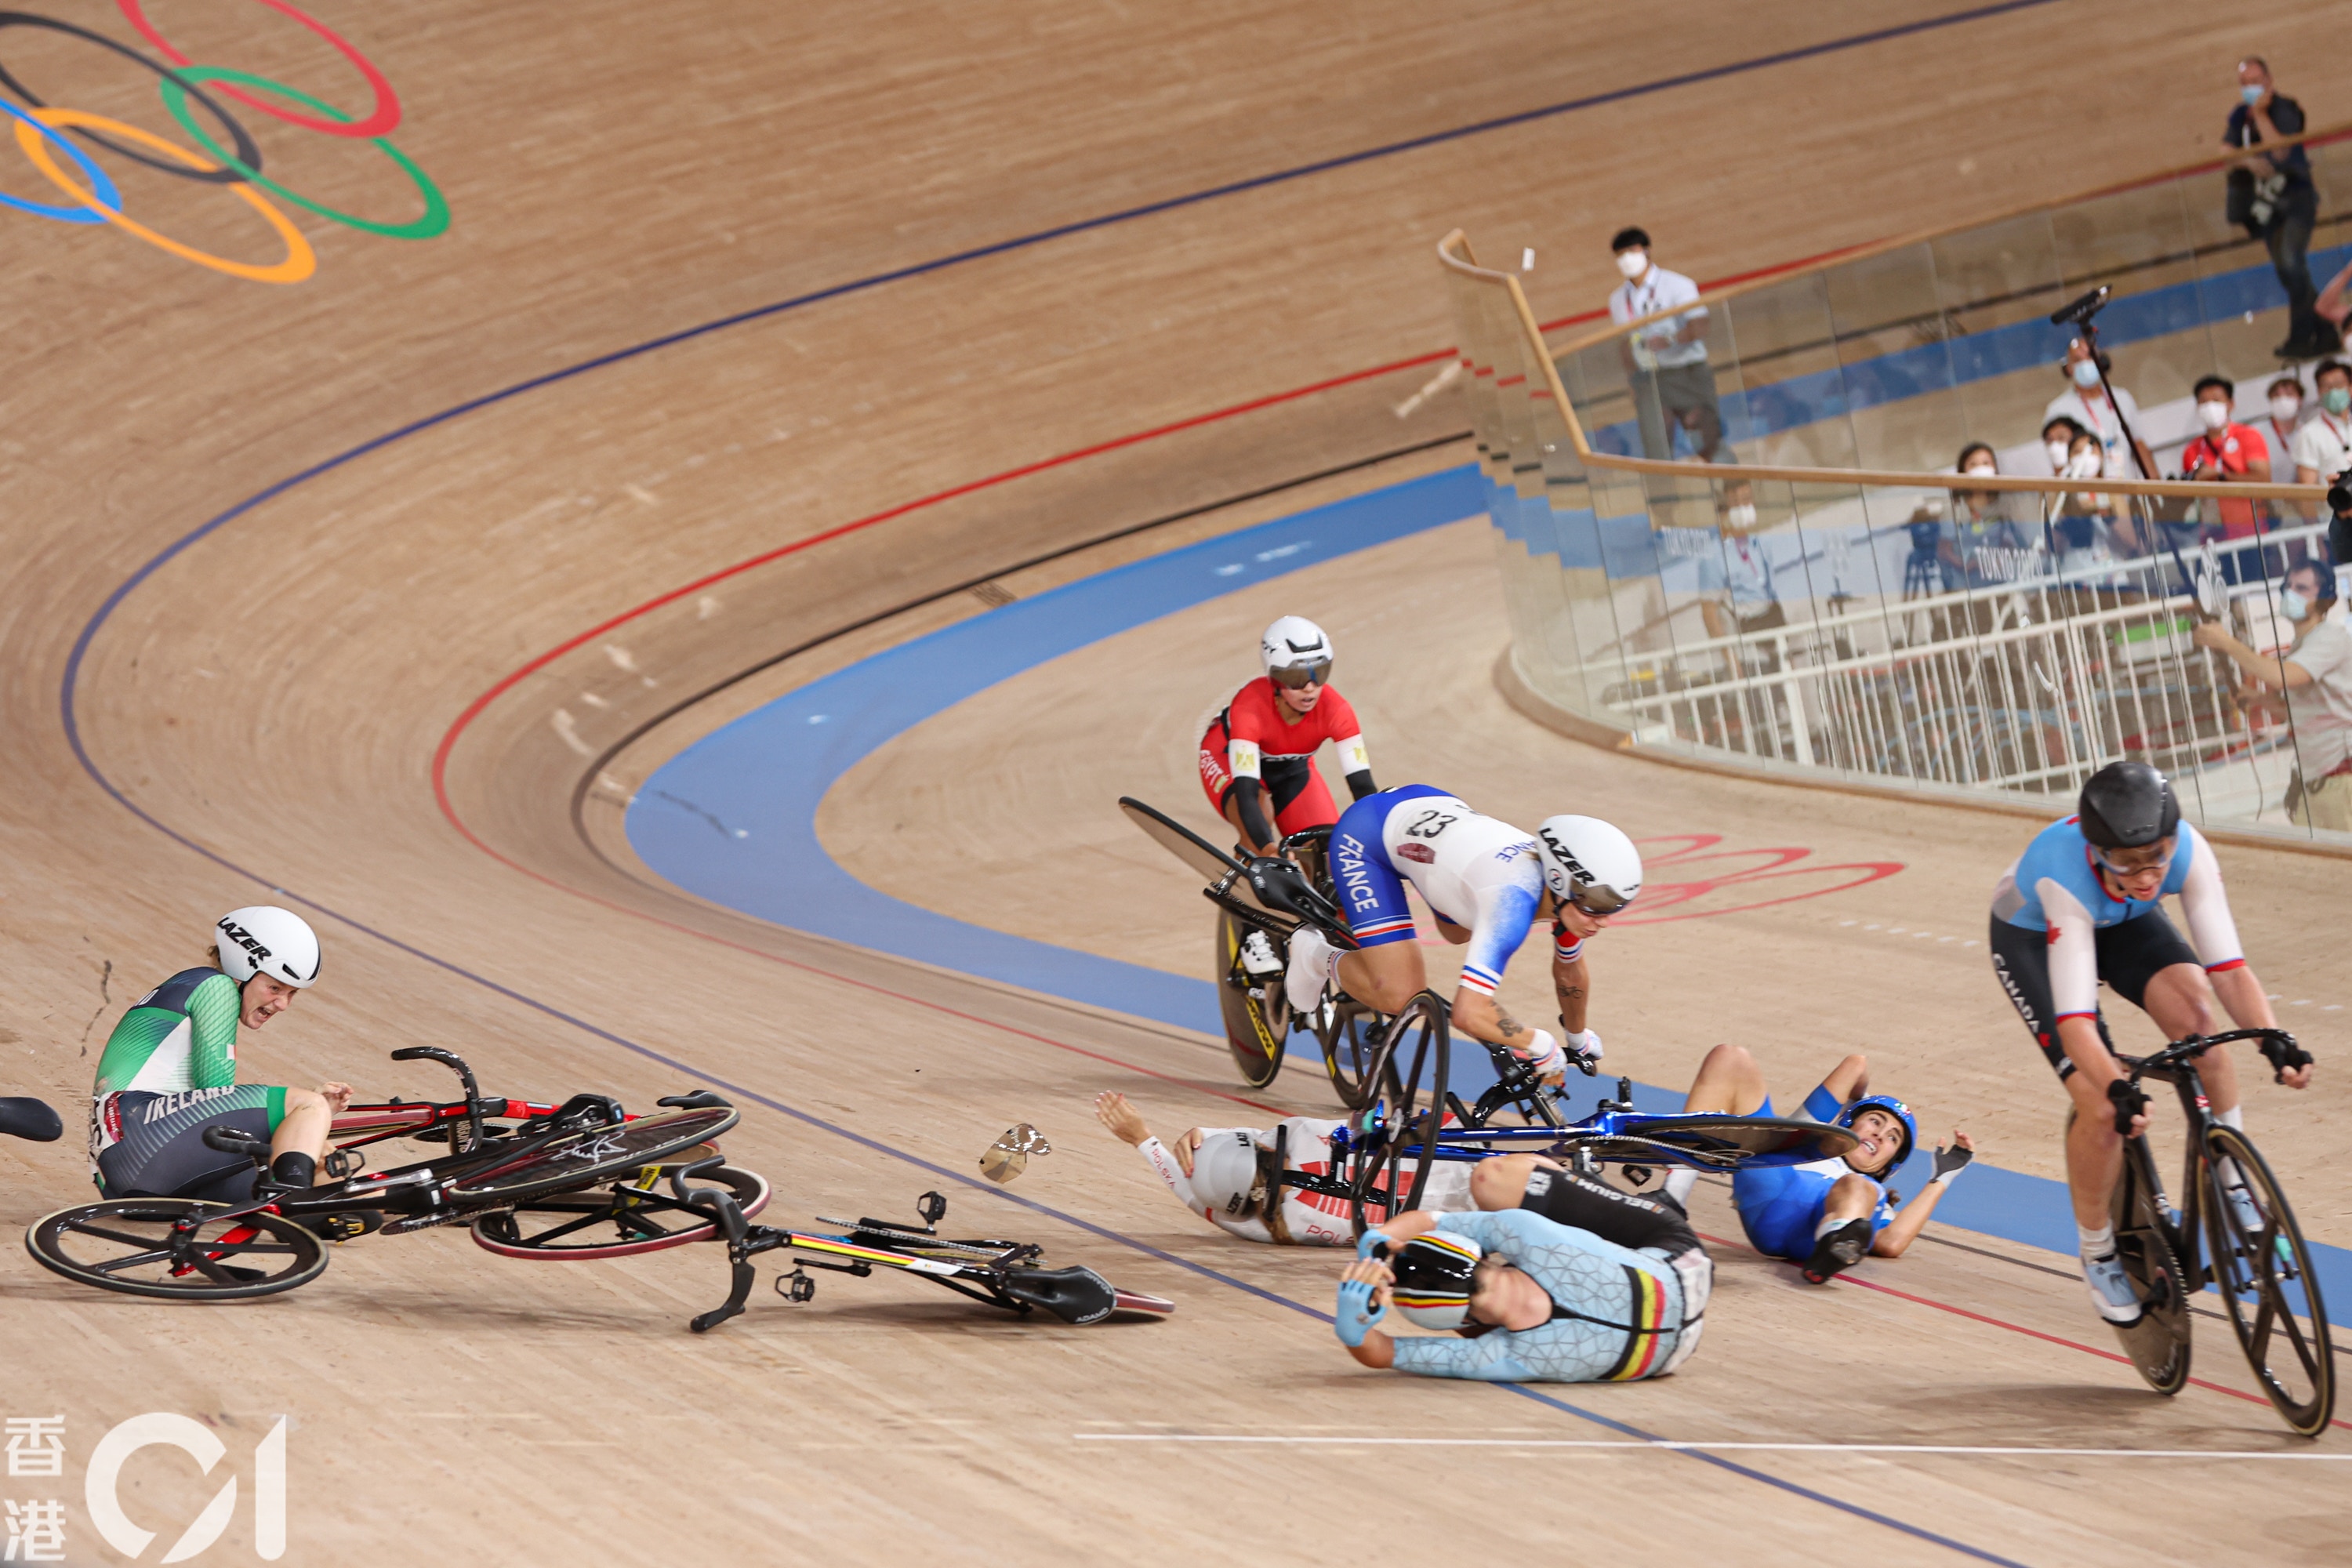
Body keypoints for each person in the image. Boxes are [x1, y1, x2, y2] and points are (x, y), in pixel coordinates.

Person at [1987, 762, 2313, 1324]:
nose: (2146, 875)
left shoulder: (2188, 851)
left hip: (2121, 921)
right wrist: (2116, 1085)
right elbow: (2076, 1026)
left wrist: (2273, 1037)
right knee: (2098, 1105)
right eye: (2126, 861)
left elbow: (2229, 971)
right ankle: (2097, 1251)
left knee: (2203, 1032)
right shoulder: (2065, 876)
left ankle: (2233, 1186)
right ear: (2096, 852)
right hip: (2037, 937)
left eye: (2157, 855)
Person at [1283, 790, 1641, 1083]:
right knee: (1400, 993)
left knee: (1458, 931)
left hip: (1433, 821)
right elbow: (1469, 1013)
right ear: (1560, 883)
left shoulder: (1564, 901)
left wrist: (1577, 1039)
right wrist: (1540, 1044)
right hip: (1368, 837)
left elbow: (1569, 971)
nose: (1604, 921)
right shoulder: (1511, 903)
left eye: (1613, 908)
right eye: (1596, 906)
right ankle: (1312, 954)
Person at [87, 906, 349, 1202]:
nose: (282, 1004)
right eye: (275, 987)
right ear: (242, 969)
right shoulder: (216, 986)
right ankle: (294, 1200)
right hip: (141, 1137)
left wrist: (304, 1129)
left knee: (328, 1178)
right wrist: (305, 1111)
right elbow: (215, 1091)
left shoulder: (189, 984)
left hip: (129, 1166)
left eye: (291, 994)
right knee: (309, 1106)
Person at [1331, 1183, 1711, 1384]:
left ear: (1454, 1322)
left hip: (1667, 1359)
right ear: (1475, 1255)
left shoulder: (1507, 1357)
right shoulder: (1528, 1234)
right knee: (1498, 1177)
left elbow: (1380, 1354)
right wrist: (1378, 1239)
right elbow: (1432, 1220)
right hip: (1685, 1268)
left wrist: (1353, 1328)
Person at [1660, 1043, 1973, 1284]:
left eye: (1892, 1139)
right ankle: (1672, 1198)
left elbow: (1892, 1243)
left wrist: (1943, 1177)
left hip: (1818, 1228)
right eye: (1875, 1121)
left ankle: (1834, 1245)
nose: (1879, 1134)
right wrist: (1854, 1102)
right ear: (1848, 1124)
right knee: (1730, 1057)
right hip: (1776, 1177)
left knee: (1858, 1186)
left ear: (1888, 1164)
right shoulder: (1807, 1139)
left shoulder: (1874, 1196)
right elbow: (1856, 1064)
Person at [1091, 1090, 1472, 1244]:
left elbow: (1198, 1196)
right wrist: (1152, 1137)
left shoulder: (1271, 1224)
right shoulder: (1292, 1135)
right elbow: (1240, 1147)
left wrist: (1145, 1140)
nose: (1266, 1141)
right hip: (1462, 1160)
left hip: (1459, 1213)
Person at [1197, 615, 1375, 861]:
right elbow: (1247, 794)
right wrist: (1267, 850)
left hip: (1292, 771)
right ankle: (1243, 889)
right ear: (1276, 679)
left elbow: (1363, 786)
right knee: (1259, 829)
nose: (1310, 687)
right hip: (1226, 757)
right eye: (1296, 678)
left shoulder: (1337, 711)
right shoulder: (1249, 709)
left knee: (1329, 853)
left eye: (1319, 673)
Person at [2193, 558, 2352, 833]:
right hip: (2317, 782)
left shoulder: (2331, 638)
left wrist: (2227, 644)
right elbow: (2302, 712)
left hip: (2340, 780)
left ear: (2324, 599)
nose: (2289, 593)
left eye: (2302, 588)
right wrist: (2260, 700)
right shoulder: (2305, 645)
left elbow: (2282, 676)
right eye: (2288, 586)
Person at [2225, 58, 2332, 359]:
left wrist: (2260, 114)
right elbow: (2226, 150)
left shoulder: (2286, 109)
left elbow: (2281, 151)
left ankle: (2300, 337)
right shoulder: (2239, 115)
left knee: (2290, 264)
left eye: (2256, 80)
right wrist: (2248, 159)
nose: (2251, 88)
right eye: (2245, 83)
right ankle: (2325, 331)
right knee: (2290, 273)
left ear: (2269, 80)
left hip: (2296, 201)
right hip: (2266, 207)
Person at [1607, 227, 1722, 463]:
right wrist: (1632, 381)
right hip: (1648, 379)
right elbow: (1625, 343)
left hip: (1687, 371)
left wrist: (1669, 340)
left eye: (1632, 250)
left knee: (1705, 438)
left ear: (1646, 251)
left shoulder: (1677, 284)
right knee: (1657, 449)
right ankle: (1665, 500)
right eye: (1620, 254)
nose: (1626, 258)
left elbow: (1700, 325)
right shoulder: (1617, 300)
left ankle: (1736, 497)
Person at [2179, 374, 2272, 553]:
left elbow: (2263, 479)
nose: (2209, 407)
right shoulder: (2192, 449)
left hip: (2251, 534)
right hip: (2211, 541)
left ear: (2230, 404)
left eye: (2216, 400)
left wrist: (2218, 475)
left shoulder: (2248, 436)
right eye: (2203, 402)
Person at [2044, 339, 2155, 483]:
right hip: (2087, 496)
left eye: (2090, 356)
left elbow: (2139, 444)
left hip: (2127, 490)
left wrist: (2156, 487)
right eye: (2078, 360)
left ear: (2101, 361)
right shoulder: (2058, 410)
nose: (2085, 363)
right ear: (2069, 369)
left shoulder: (2122, 398)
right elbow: (2059, 463)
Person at [2290, 361, 2352, 520]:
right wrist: (2315, 539)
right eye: (2327, 387)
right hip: (2335, 523)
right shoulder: (2309, 434)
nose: (2333, 392)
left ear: (2350, 388)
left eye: (2338, 385)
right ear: (2319, 392)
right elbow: (2306, 493)